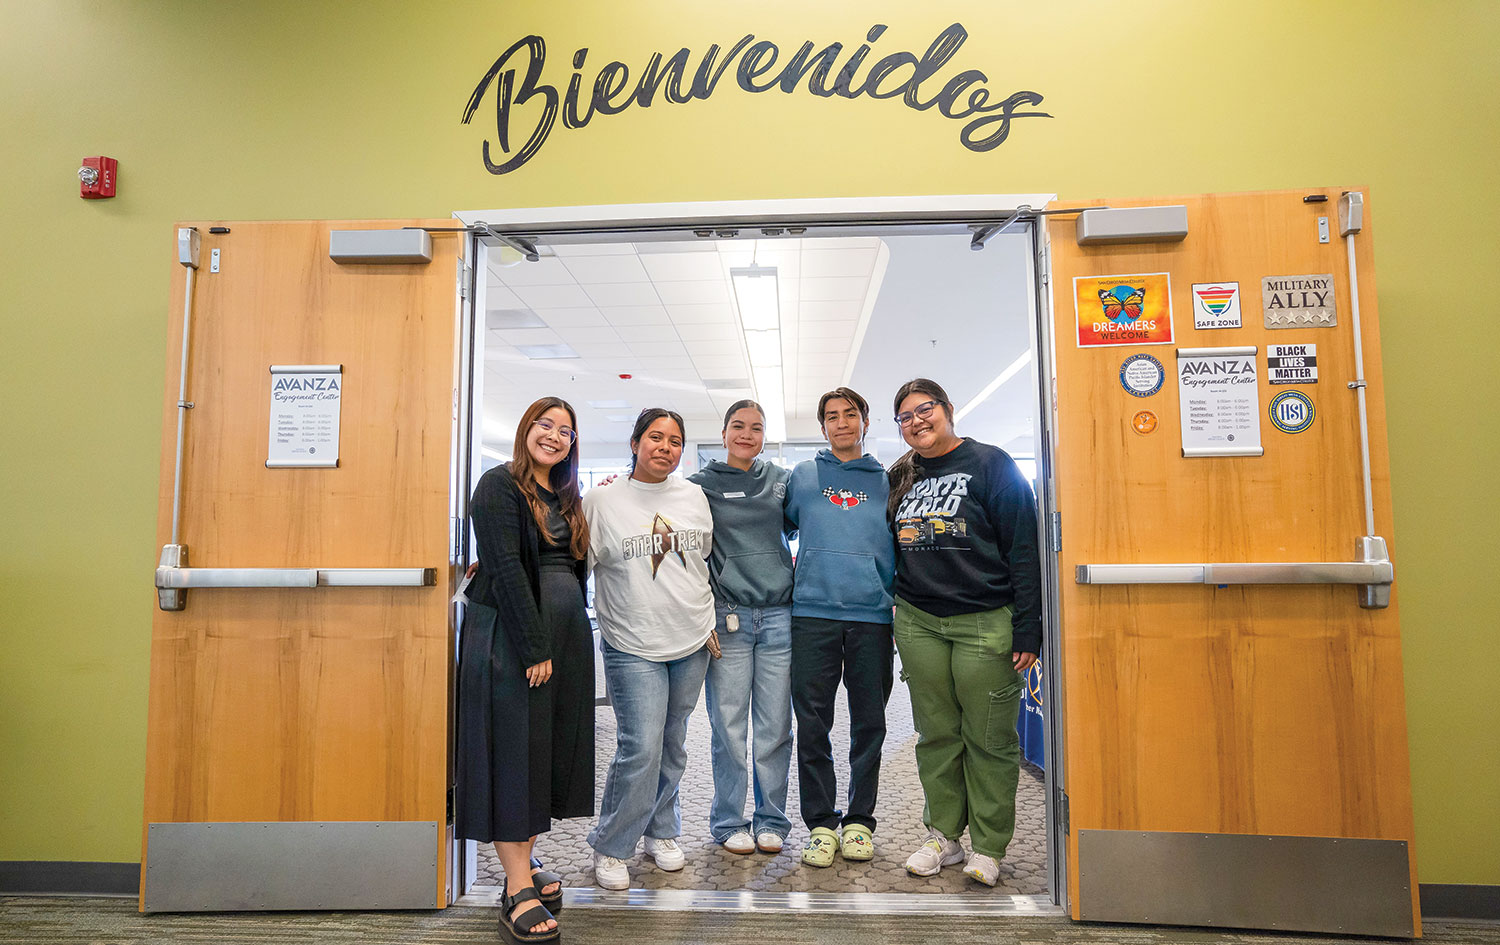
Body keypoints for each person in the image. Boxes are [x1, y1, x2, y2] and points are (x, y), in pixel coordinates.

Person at [886, 378, 1042, 887]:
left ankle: (990, 847)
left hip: (984, 620)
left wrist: (1028, 628)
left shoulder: (991, 464)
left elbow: (1023, 547)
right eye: (905, 416)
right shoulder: (900, 475)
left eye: (924, 409)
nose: (916, 421)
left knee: (990, 737)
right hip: (918, 621)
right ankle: (944, 837)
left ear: (948, 410)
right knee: (936, 735)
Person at [455, 397, 592, 944]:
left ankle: (526, 864)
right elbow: (508, 569)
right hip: (516, 644)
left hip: (560, 640)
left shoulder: (562, 496)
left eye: (565, 431)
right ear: (524, 429)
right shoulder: (498, 485)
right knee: (513, 754)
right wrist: (535, 647)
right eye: (545, 425)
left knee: (543, 753)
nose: (555, 436)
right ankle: (515, 888)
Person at [584, 407, 715, 890]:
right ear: (636, 442)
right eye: (655, 437)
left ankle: (661, 831)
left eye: (675, 440)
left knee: (673, 743)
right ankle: (612, 844)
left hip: (692, 638)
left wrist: (710, 620)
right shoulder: (601, 501)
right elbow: (573, 563)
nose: (666, 447)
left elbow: (701, 564)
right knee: (639, 747)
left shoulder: (695, 496)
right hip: (631, 641)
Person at [783, 386, 896, 868]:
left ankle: (859, 822)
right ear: (823, 425)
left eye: (851, 414)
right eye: (832, 416)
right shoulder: (803, 477)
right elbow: (784, 528)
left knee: (869, 722)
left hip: (871, 616)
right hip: (812, 614)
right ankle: (822, 824)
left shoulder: (890, 480)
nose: (842, 423)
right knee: (813, 724)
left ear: (865, 421)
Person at [687, 400, 795, 856]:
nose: (747, 434)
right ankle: (729, 821)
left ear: (765, 436)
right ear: (724, 432)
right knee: (729, 727)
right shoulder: (699, 486)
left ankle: (772, 819)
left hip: (778, 617)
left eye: (756, 428)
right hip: (727, 618)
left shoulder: (780, 482)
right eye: (738, 426)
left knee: (774, 727)